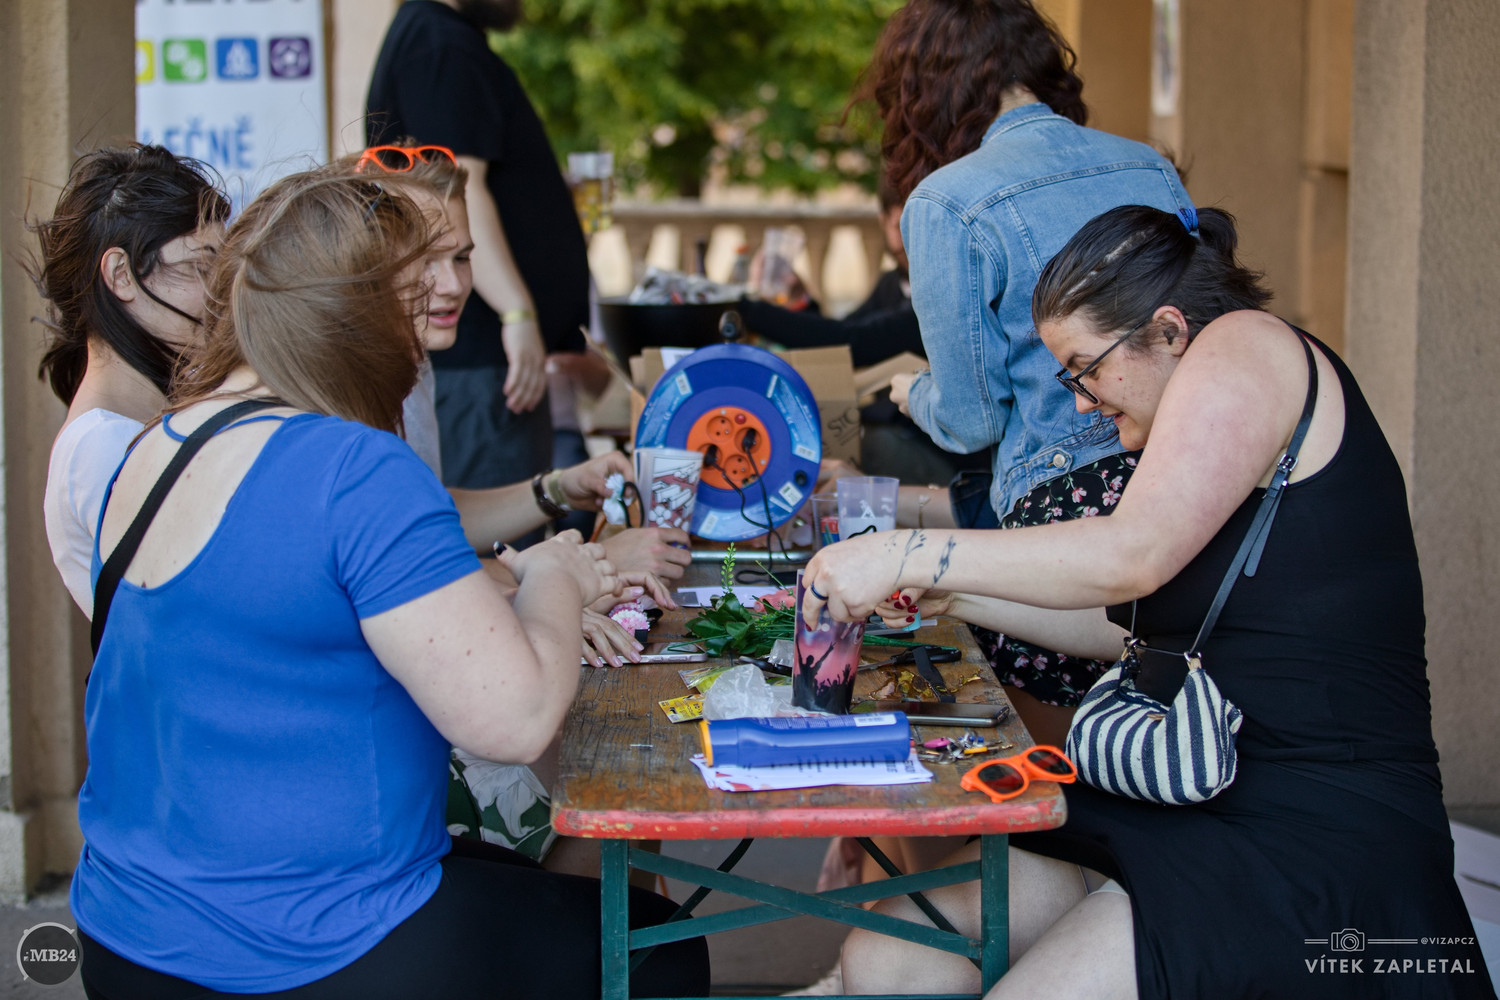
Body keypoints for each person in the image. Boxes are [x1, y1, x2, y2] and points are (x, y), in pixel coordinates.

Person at [803, 205, 1491, 999]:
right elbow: (1116, 625)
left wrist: (905, 550)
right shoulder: (1201, 428)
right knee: (891, 956)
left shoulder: (1249, 345)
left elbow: (1130, 558)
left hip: (1308, 830)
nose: (1080, 403)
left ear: (1168, 330)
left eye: (1084, 369)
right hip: (1173, 798)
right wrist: (948, 593)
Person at [71, 166, 709, 998]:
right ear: (357, 315)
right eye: (413, 301)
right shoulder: (354, 466)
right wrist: (553, 575)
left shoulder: (153, 446)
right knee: (659, 944)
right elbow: (515, 720)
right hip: (303, 944)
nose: (423, 339)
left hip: (125, 935)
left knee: (535, 884)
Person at [852, 0, 1195, 748]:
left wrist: (915, 395)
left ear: (922, 91)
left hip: (1060, 518)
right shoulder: (1150, 166)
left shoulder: (946, 201)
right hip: (1185, 487)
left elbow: (970, 420)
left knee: (1045, 776)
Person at [366, 0, 589, 521]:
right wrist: (517, 313)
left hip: (480, 362)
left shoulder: (435, 36)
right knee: (497, 544)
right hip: (481, 363)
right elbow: (459, 193)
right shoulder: (441, 43)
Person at [34, 144, 229, 615]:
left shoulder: (133, 429)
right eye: (202, 267)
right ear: (121, 275)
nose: (222, 294)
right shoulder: (102, 446)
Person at [738, 179, 986, 486]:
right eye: (900, 226)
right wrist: (801, 302)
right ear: (883, 222)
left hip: (950, 465)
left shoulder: (943, 295)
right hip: (902, 439)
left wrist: (745, 309)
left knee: (846, 443)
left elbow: (851, 342)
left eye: (919, 227)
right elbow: (838, 342)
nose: (911, 239)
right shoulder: (891, 283)